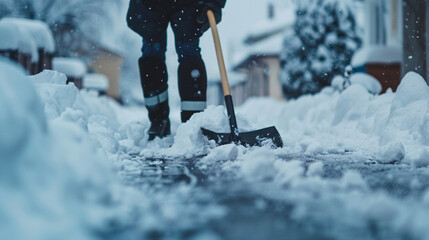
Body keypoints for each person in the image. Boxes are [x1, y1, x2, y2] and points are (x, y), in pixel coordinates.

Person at [127, 0, 226, 140]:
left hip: (188, 4)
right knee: (151, 55)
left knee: (189, 55)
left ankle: (193, 122)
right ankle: (158, 120)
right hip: (150, 4)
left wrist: (214, 2)